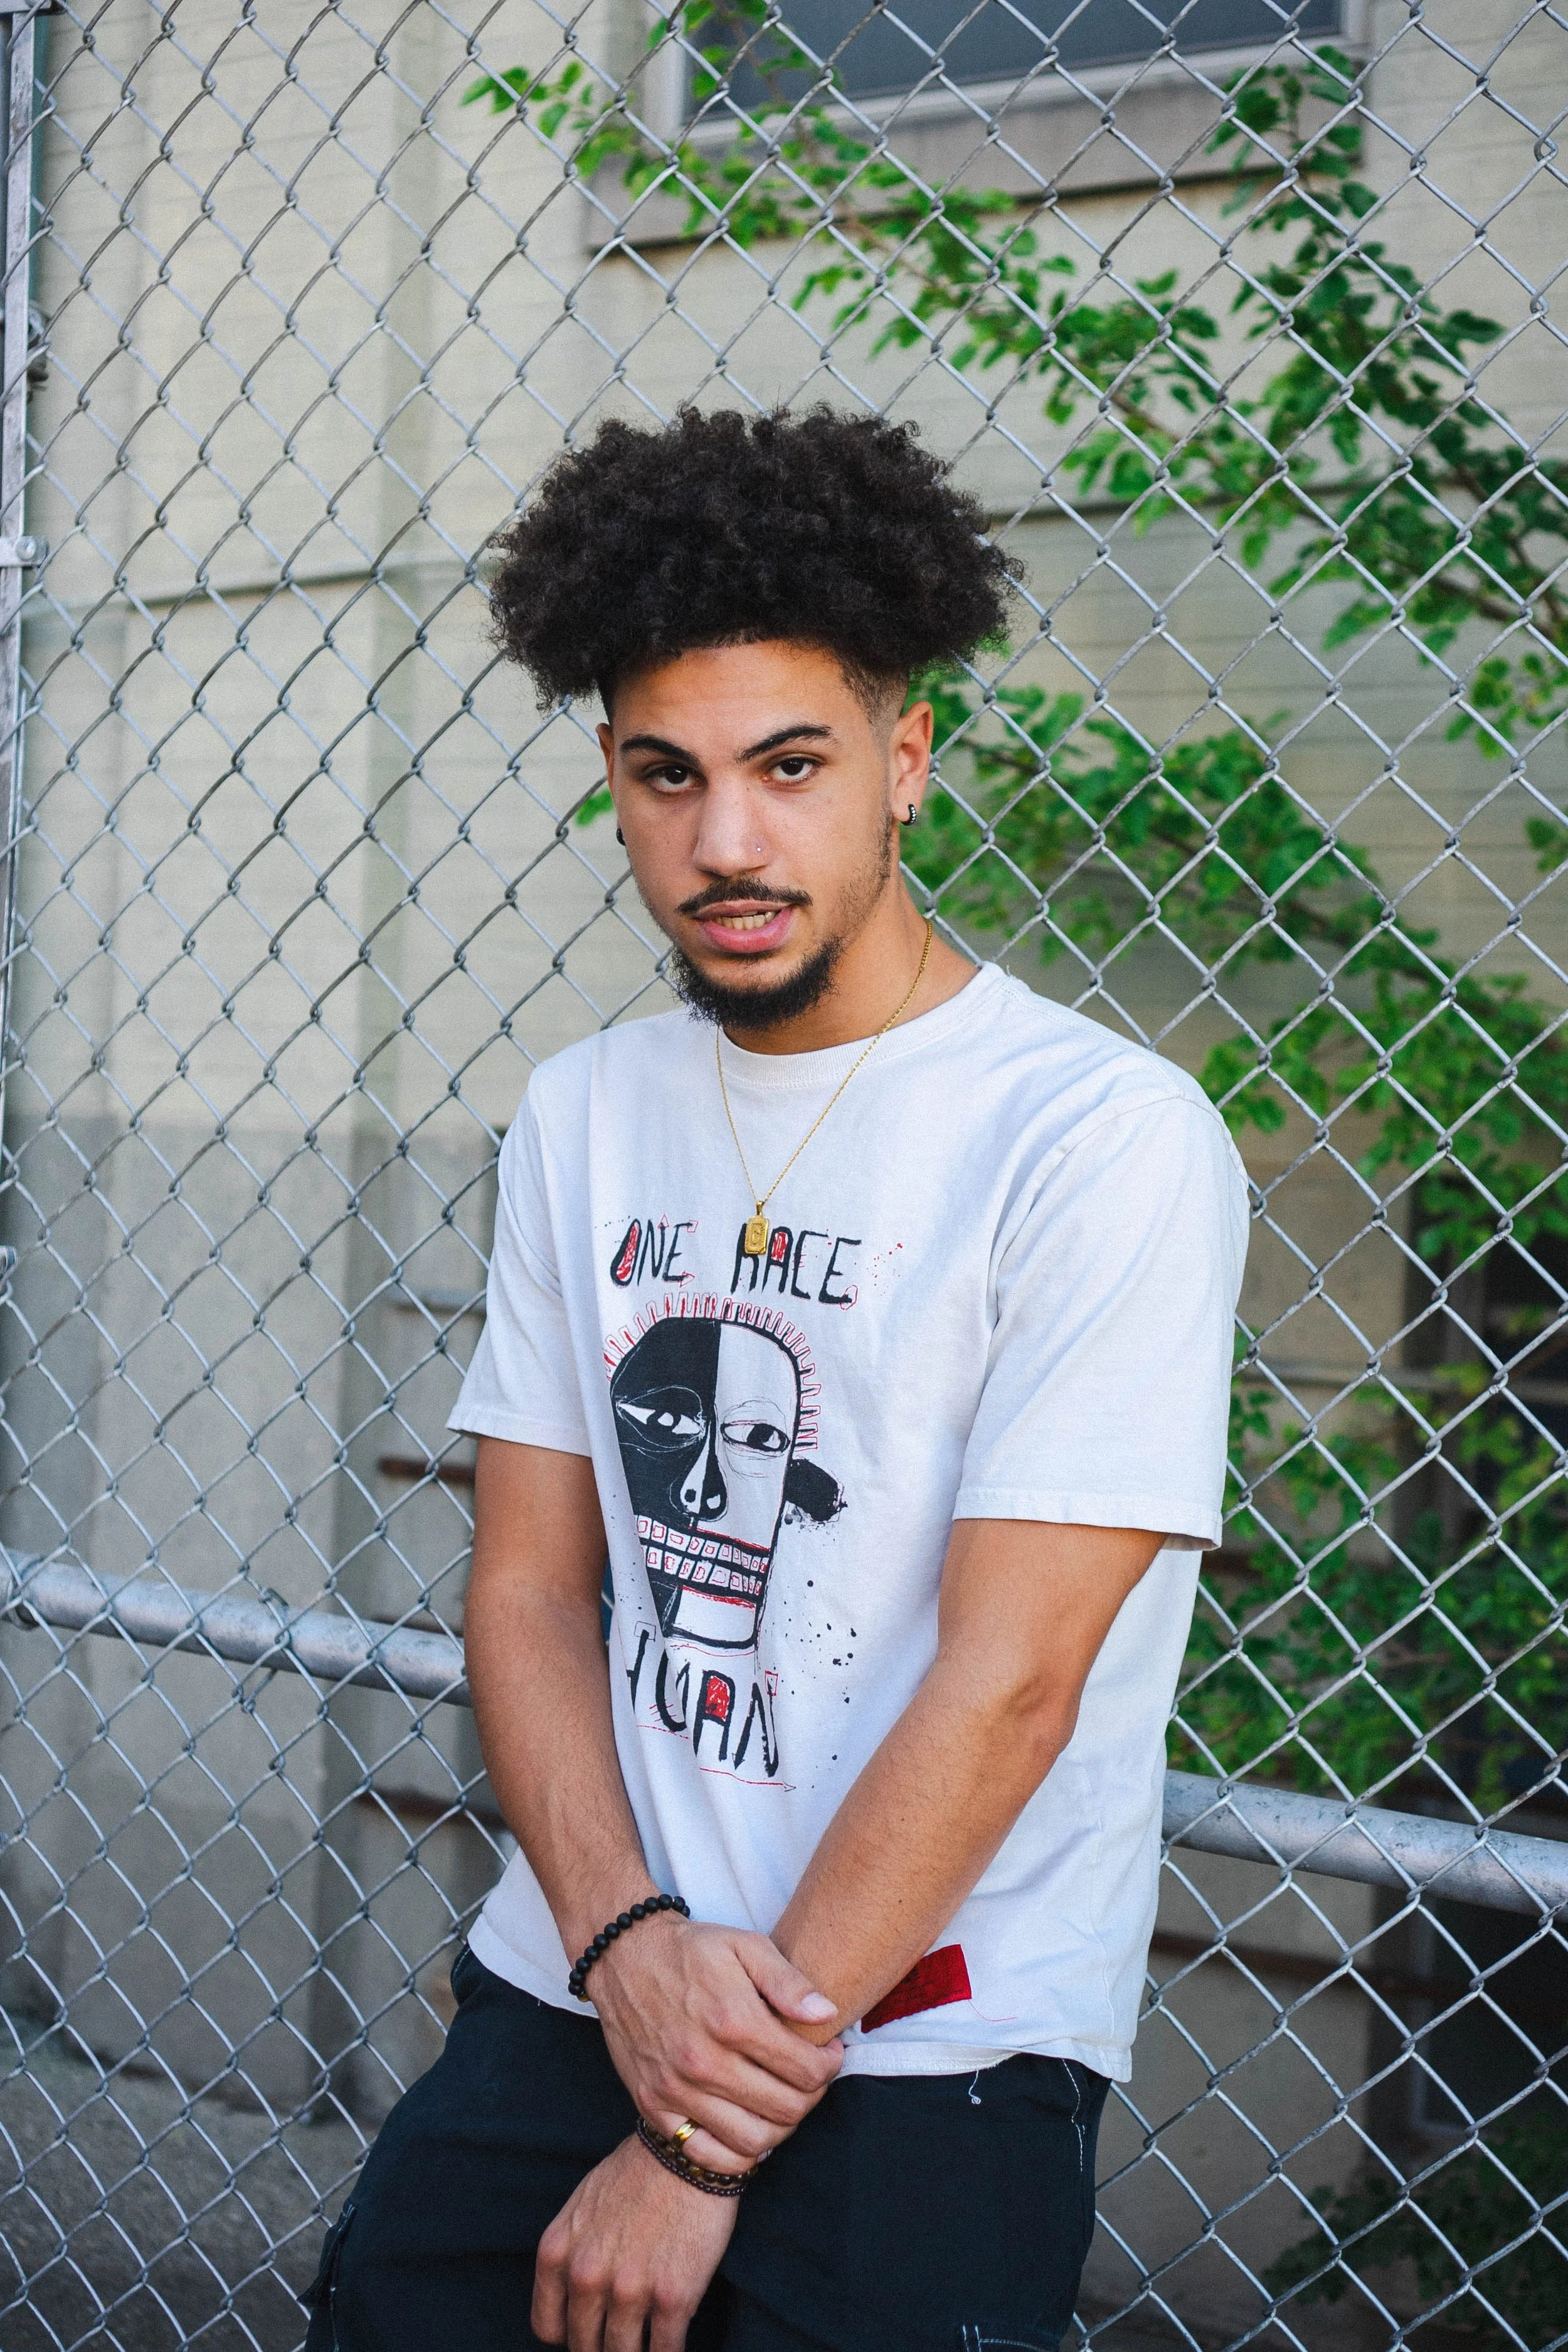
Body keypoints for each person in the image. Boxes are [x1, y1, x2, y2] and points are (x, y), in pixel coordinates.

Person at [303, 406, 1249, 2352]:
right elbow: (527, 1587)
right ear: (614, 782)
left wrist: (698, 2134)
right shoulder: (585, 1112)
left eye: (790, 765)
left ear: (906, 761)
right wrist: (626, 1947)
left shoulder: (1097, 1136)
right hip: (579, 1981)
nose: (725, 842)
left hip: (922, 2045)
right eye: (669, 775)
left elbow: (1013, 1679)